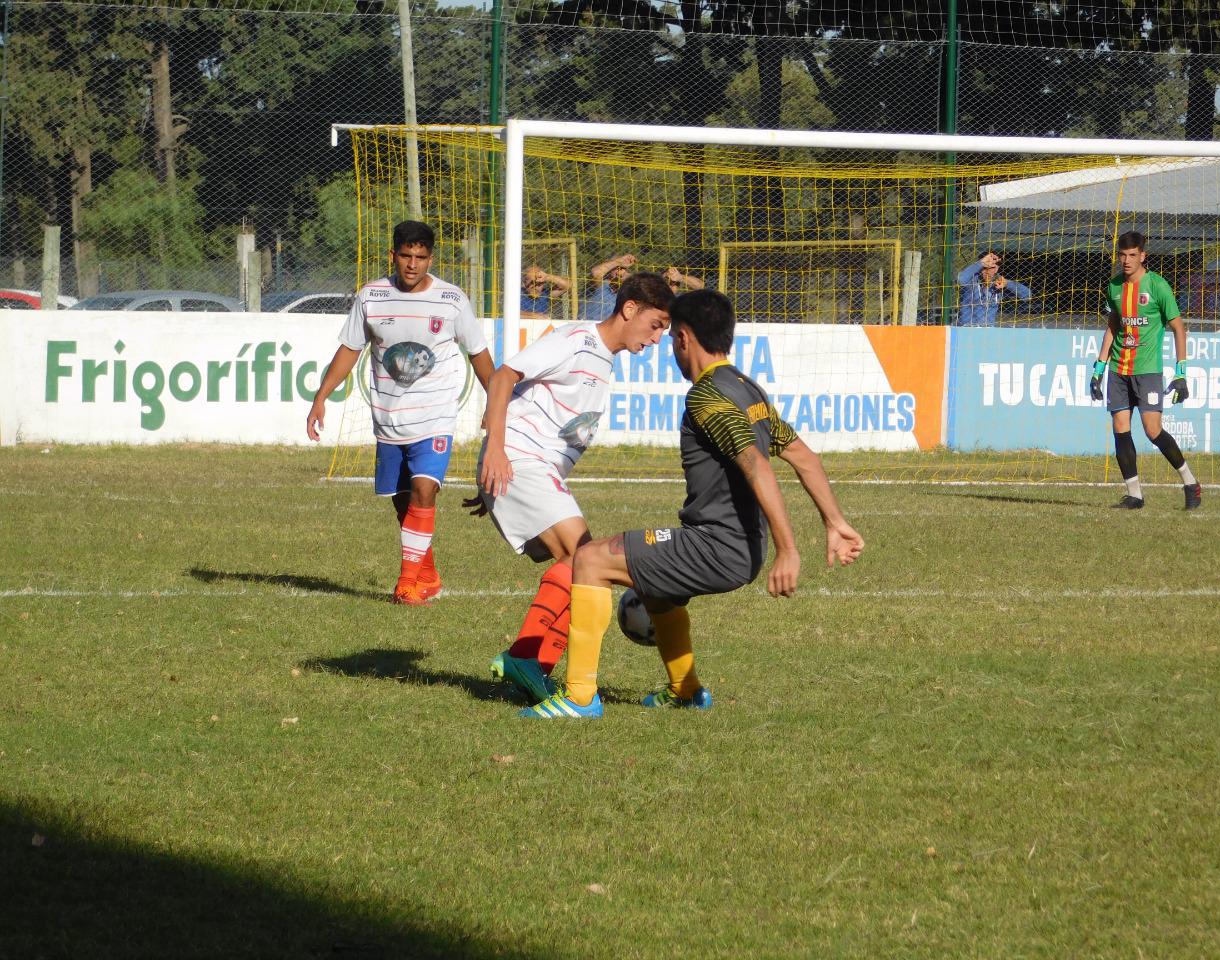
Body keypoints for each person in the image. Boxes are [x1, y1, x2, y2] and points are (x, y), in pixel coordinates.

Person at [520, 289, 865, 719]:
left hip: (718, 546)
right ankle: (686, 690)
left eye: (671, 343)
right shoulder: (744, 386)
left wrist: (790, 551)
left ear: (683, 338)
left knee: (590, 558)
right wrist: (835, 523)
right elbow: (804, 456)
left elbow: (757, 466)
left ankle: (579, 697)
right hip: (740, 547)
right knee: (657, 589)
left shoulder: (706, 397)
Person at [473, 273, 675, 703]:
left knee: (584, 562)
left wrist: (492, 480)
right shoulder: (577, 340)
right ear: (630, 309)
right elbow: (504, 376)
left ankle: (531, 660)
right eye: (656, 325)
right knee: (585, 557)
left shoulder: (604, 361)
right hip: (520, 460)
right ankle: (528, 659)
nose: (657, 339)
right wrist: (495, 451)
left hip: (528, 468)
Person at [306, 220, 496, 604]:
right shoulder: (372, 296)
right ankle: (427, 574)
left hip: (436, 416)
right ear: (393, 255)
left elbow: (479, 355)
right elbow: (350, 350)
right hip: (389, 419)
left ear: (431, 259)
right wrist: (321, 396)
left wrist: (496, 405)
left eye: (421, 257)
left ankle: (407, 583)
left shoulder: (452, 300)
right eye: (406, 256)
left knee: (425, 491)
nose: (412, 265)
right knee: (404, 503)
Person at [1089, 230, 1200, 510]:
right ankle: (1135, 495)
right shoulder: (1114, 286)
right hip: (1118, 369)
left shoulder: (1158, 286)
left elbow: (1178, 328)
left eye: (1132, 255)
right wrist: (1098, 368)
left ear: (1143, 256)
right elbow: (1113, 326)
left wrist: (1181, 372)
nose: (1126, 261)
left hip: (1147, 371)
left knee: (1153, 431)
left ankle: (1190, 482)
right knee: (1120, 428)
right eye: (1122, 255)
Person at [955, 251, 1031, 326]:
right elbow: (960, 279)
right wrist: (981, 263)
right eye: (984, 267)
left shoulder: (999, 284)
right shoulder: (971, 281)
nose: (987, 271)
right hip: (967, 328)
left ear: (997, 269)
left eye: (991, 267)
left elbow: (1027, 295)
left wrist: (1008, 284)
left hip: (988, 330)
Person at [578, 253, 635, 322]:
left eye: (623, 268)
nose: (619, 271)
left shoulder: (623, 292)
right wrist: (618, 261)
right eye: (616, 267)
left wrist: (627, 276)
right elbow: (595, 273)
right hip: (587, 327)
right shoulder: (600, 284)